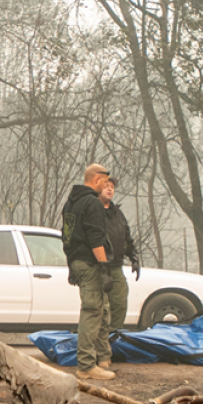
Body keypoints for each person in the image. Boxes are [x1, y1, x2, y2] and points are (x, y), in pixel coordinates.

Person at [62, 163, 115, 381]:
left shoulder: (70, 204)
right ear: (96, 179)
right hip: (91, 263)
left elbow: (66, 236)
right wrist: (104, 267)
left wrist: (71, 263)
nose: (106, 184)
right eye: (104, 180)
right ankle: (86, 364)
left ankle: (103, 359)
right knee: (93, 311)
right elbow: (96, 238)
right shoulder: (92, 203)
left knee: (101, 309)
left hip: (76, 260)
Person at [100, 177, 141, 332]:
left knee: (120, 303)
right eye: (106, 186)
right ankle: (100, 340)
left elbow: (127, 237)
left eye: (112, 187)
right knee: (100, 308)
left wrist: (134, 257)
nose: (110, 189)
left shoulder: (118, 214)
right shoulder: (93, 212)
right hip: (98, 267)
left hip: (117, 267)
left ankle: (114, 336)